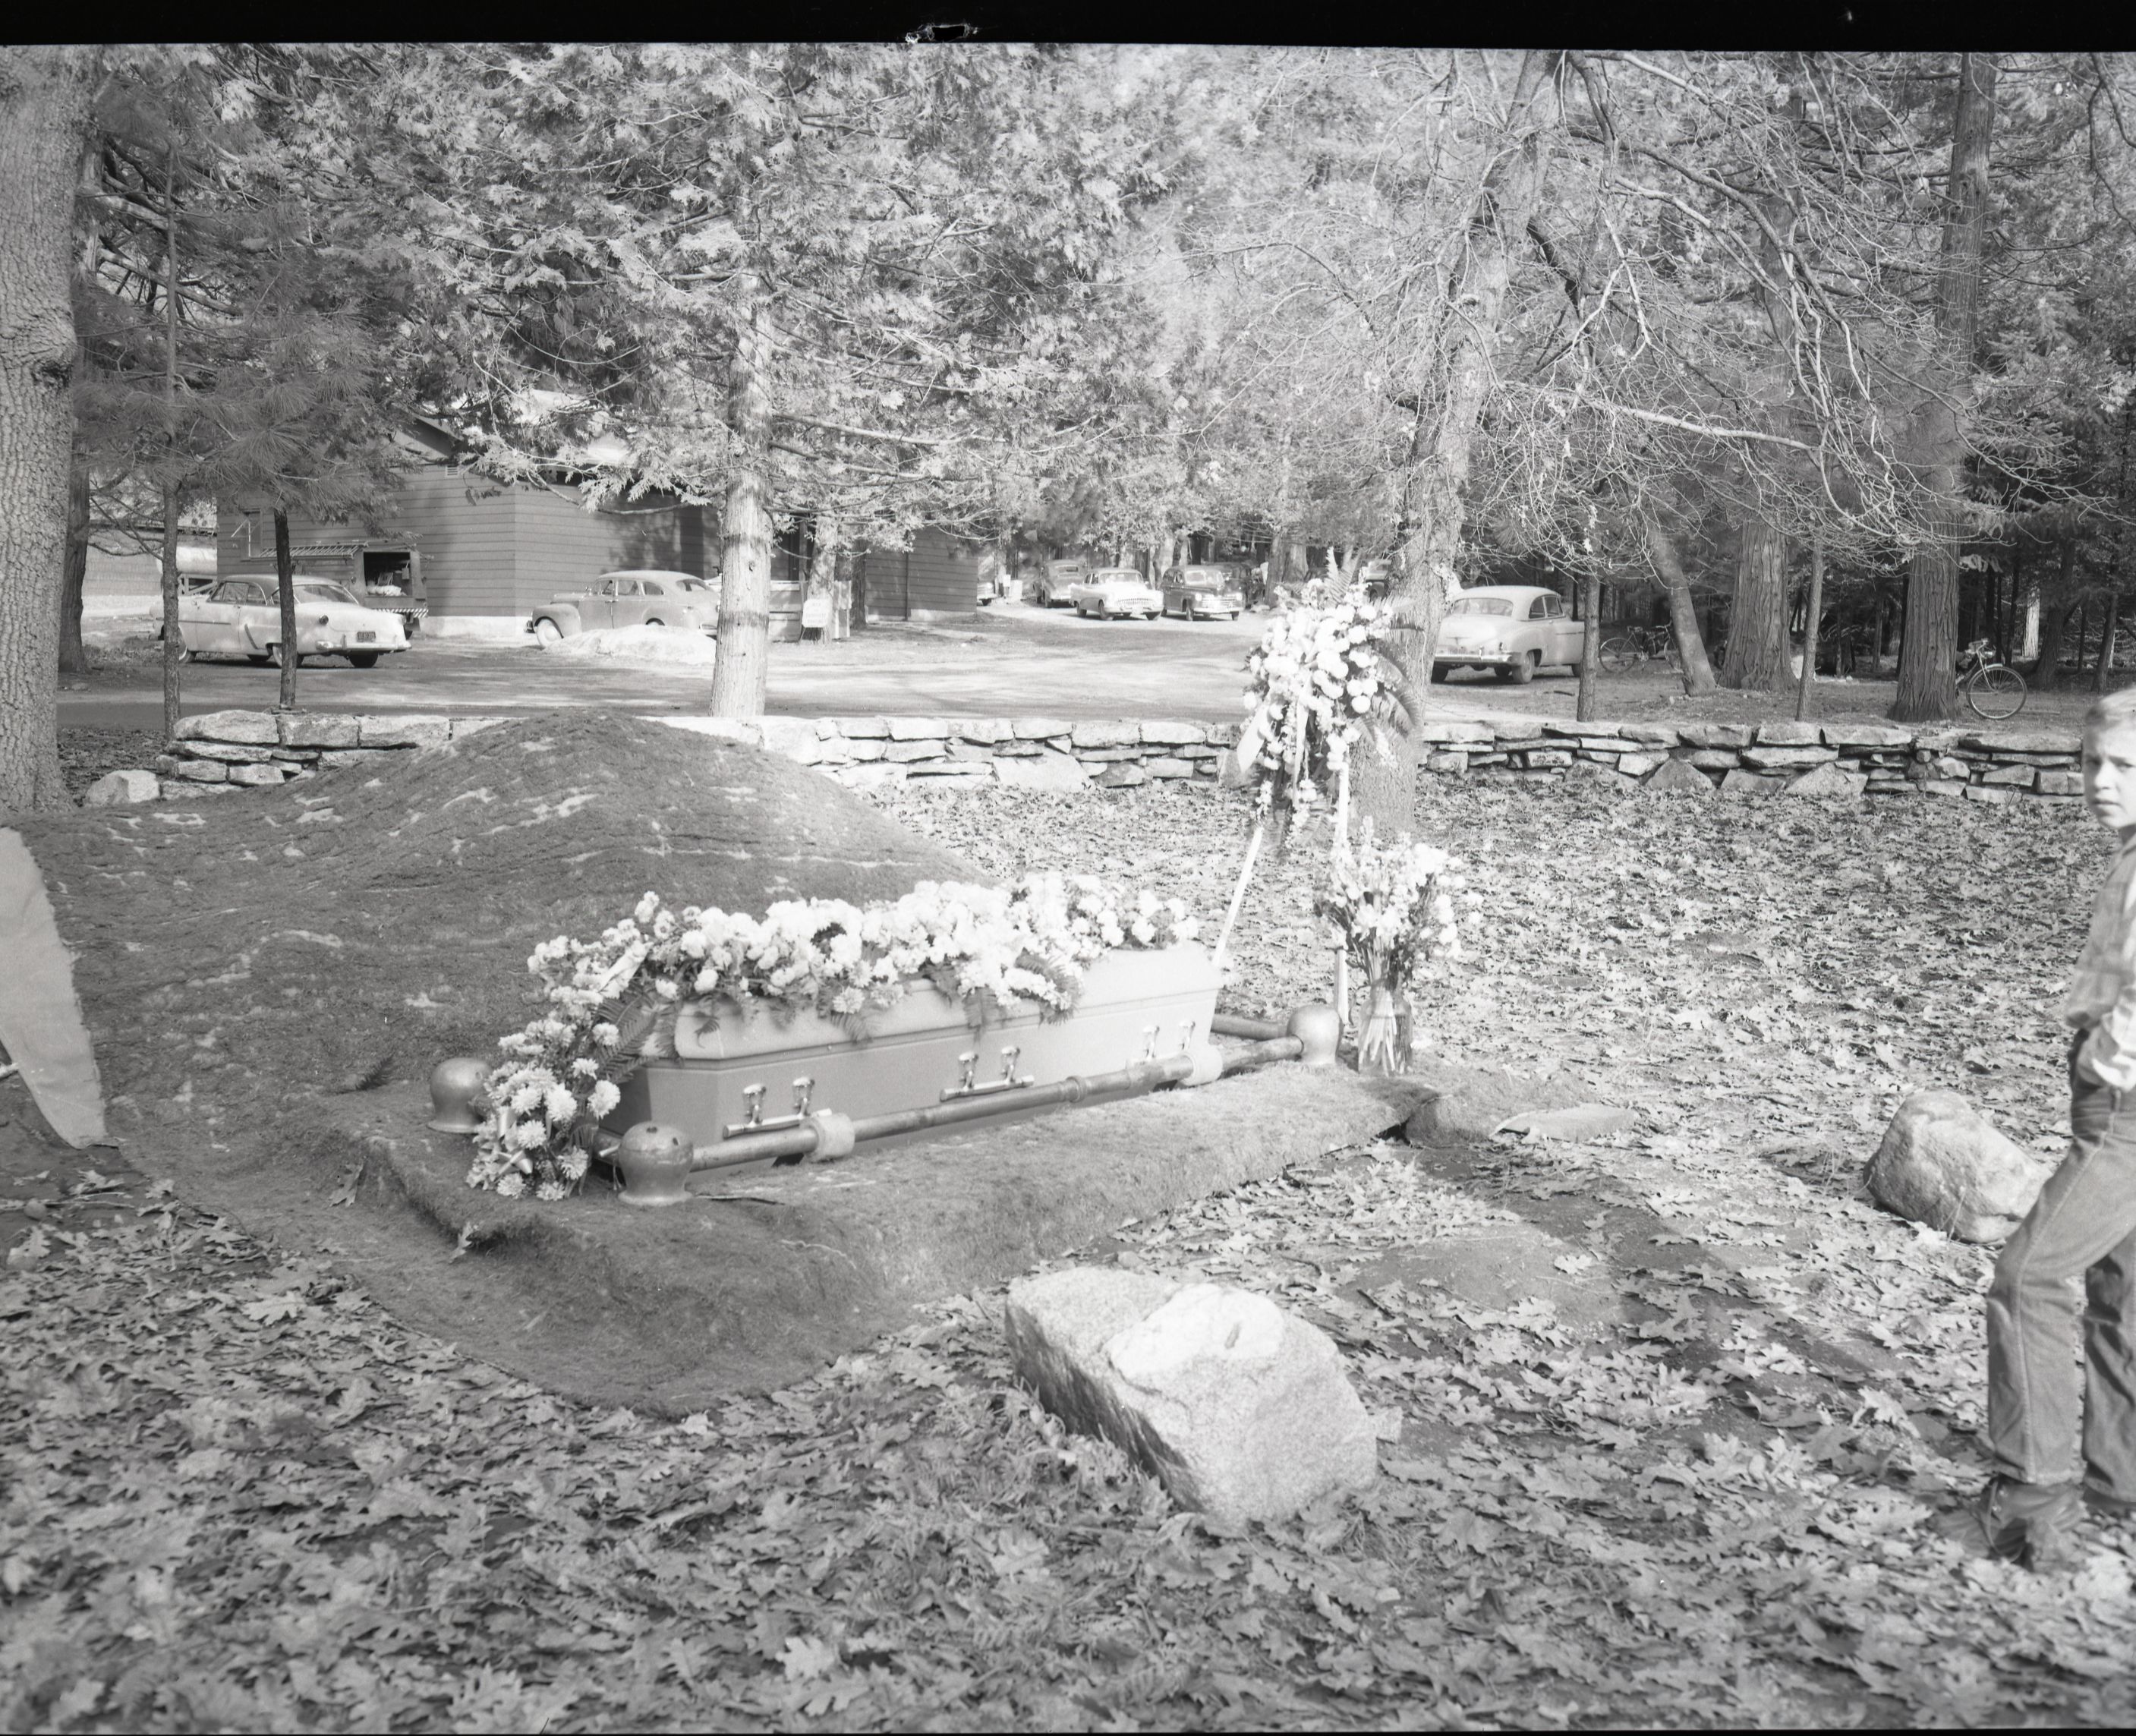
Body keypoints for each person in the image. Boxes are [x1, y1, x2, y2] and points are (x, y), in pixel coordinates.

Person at [1938, 686, 2136, 1570]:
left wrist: (2106, 1060)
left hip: (2128, 1118)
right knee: (2120, 1300)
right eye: (2093, 762)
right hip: (2108, 1093)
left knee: (2028, 1279)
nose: (2102, 781)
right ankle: (2120, 1482)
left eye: (2126, 766)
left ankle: (2033, 1501)